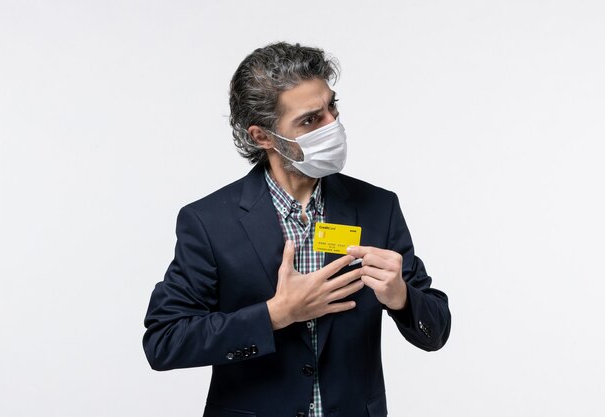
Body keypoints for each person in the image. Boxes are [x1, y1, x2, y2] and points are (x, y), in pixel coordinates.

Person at [143, 41, 451, 417]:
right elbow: (164, 341)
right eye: (310, 120)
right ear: (263, 136)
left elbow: (436, 330)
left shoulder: (378, 207)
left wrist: (402, 296)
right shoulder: (209, 222)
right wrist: (276, 314)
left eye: (332, 107)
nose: (332, 125)